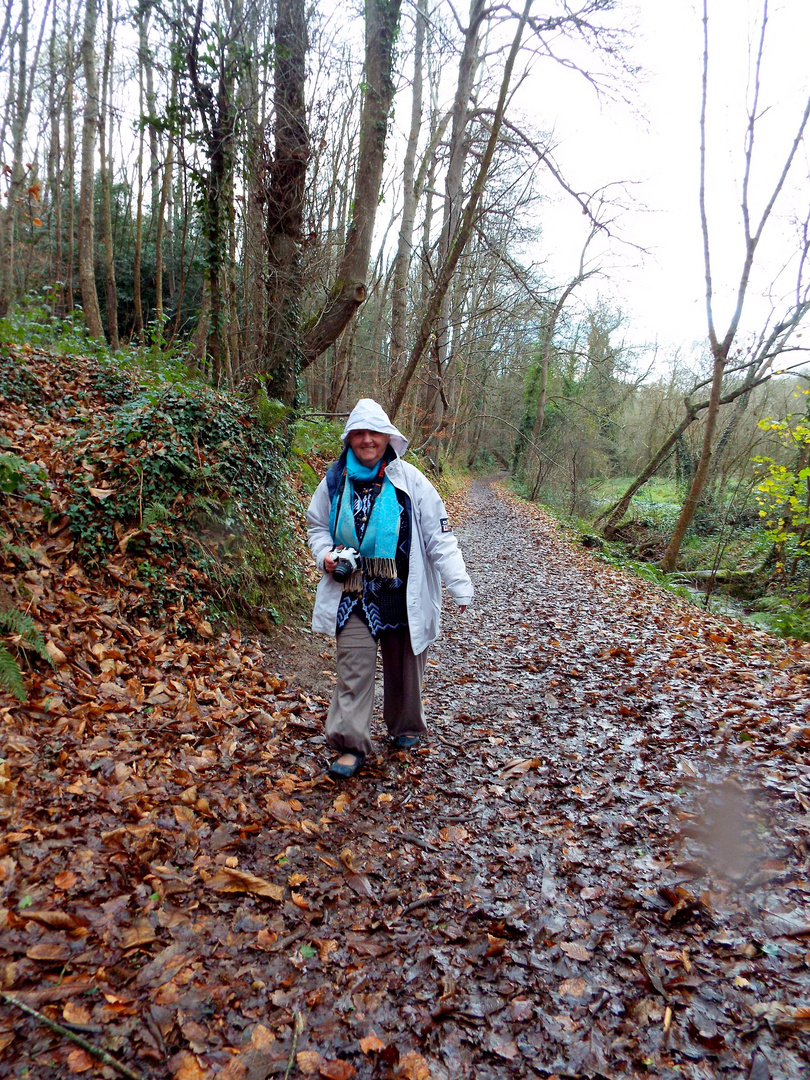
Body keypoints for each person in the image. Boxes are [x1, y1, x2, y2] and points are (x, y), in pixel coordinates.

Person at [307, 399, 473, 779]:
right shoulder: (334, 481)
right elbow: (316, 527)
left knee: (405, 669)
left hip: (402, 591)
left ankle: (406, 727)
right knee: (354, 668)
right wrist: (325, 556)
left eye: (374, 433)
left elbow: (439, 538)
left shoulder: (411, 481)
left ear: (387, 438)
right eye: (359, 434)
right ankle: (350, 744)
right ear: (349, 439)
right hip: (353, 592)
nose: (367, 440)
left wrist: (459, 585)